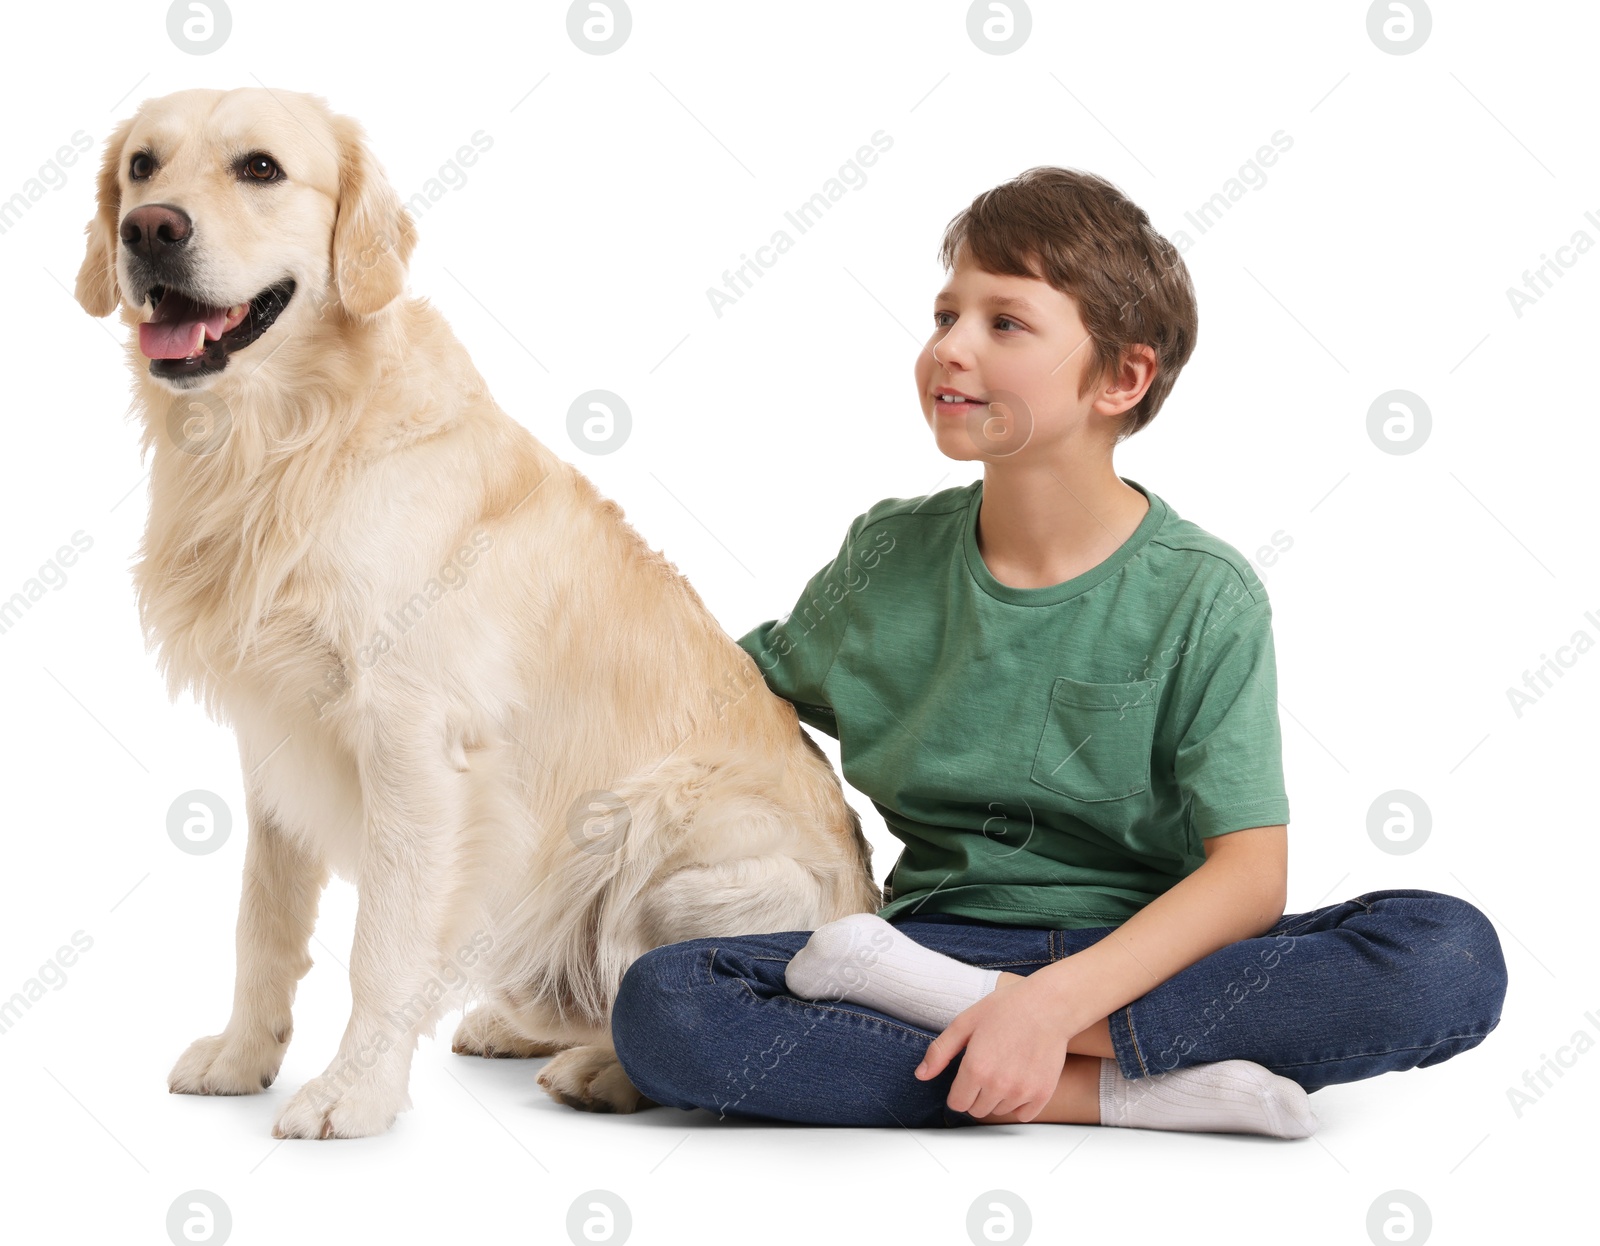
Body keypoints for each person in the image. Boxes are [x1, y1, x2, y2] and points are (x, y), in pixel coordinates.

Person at [609, 166, 1507, 1135]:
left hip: (1144, 957)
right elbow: (721, 696)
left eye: (1004, 322)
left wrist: (1049, 1005)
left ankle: (980, 1025)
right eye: (945, 313)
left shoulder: (1202, 592)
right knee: (670, 1002)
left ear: (1120, 377)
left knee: (1447, 953)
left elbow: (1248, 875)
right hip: (932, 937)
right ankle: (1119, 1093)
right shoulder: (887, 555)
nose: (948, 347)